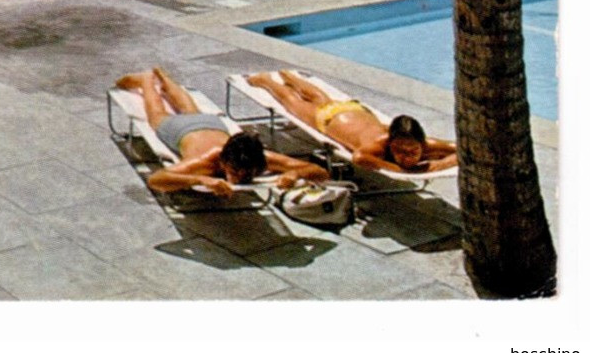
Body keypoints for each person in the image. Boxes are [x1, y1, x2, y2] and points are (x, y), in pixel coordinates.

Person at [116, 67, 326, 197]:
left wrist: (294, 173)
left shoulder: (259, 159)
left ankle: (165, 78)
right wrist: (199, 180)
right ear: (223, 161)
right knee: (157, 114)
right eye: (235, 172)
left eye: (247, 174)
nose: (241, 178)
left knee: (191, 110)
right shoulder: (204, 161)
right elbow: (157, 180)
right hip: (180, 130)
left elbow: (319, 171)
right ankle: (147, 81)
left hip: (211, 124)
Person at [246, 71, 457, 173]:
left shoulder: (427, 144)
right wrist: (398, 169)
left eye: (412, 152)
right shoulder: (377, 145)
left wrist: (441, 163)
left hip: (354, 110)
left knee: (321, 98)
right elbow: (359, 157)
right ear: (390, 142)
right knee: (290, 100)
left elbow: (462, 149)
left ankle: (290, 77)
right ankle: (266, 80)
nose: (406, 156)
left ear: (422, 144)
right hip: (328, 120)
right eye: (400, 150)